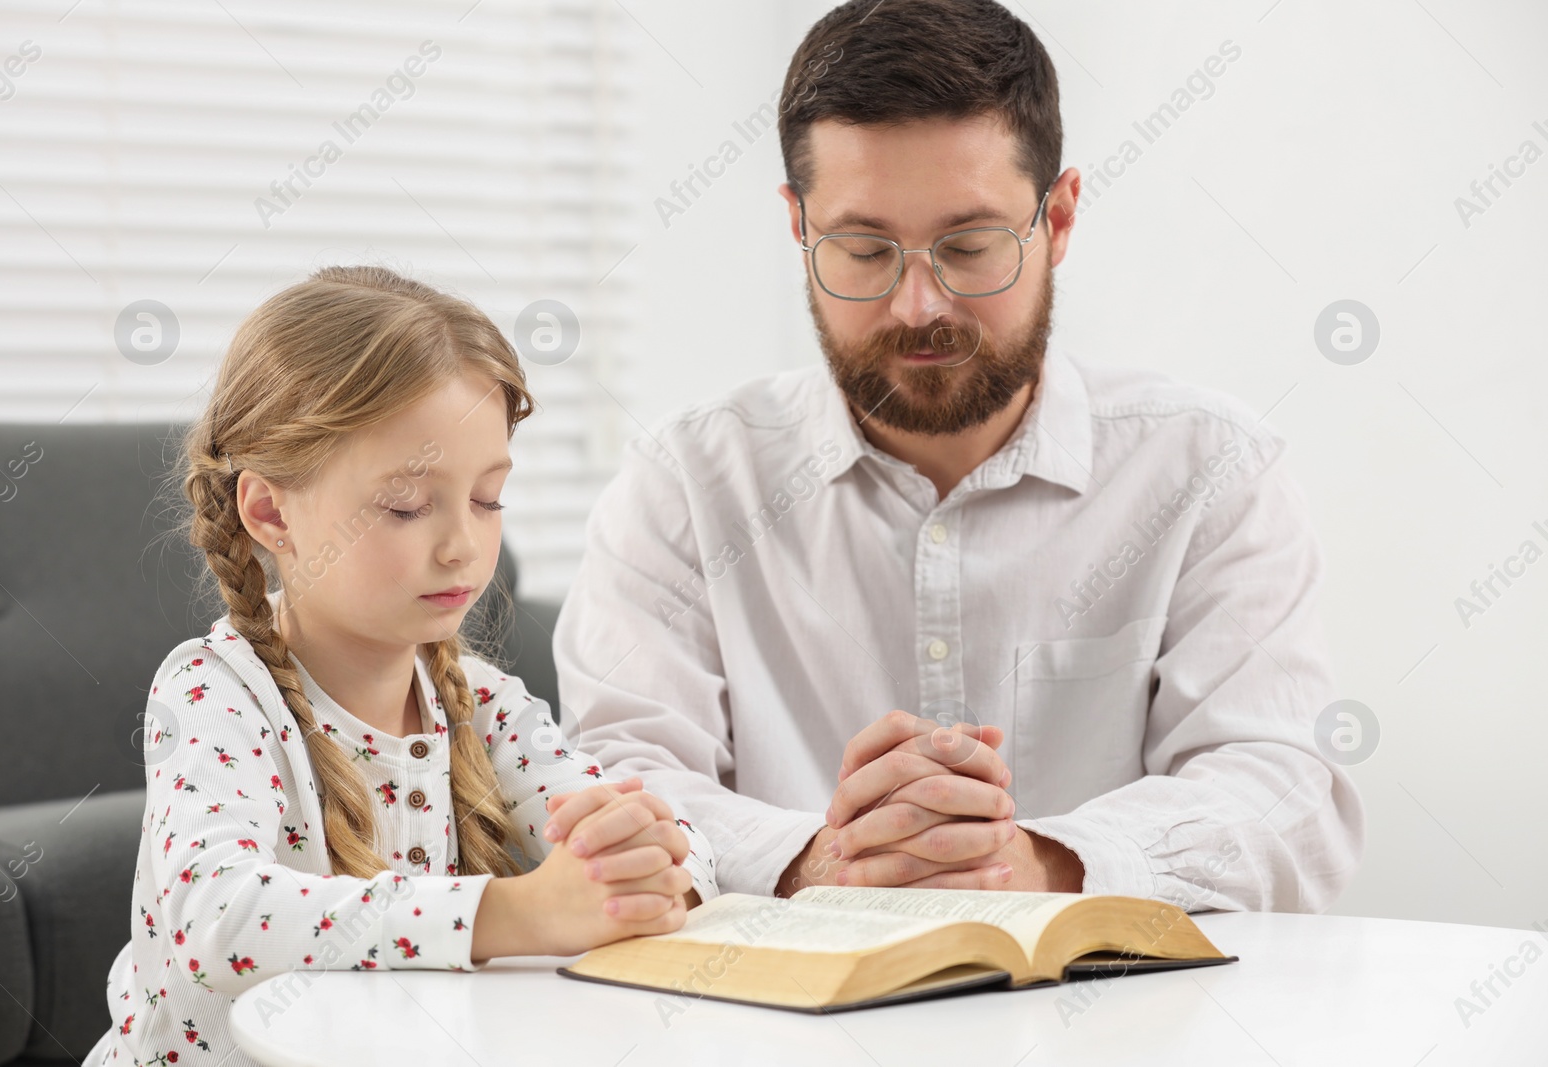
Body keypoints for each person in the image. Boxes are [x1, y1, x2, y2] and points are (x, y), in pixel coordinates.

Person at [552, 0, 1364, 912]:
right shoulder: (683, 483)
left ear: (1056, 219)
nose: (917, 305)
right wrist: (821, 860)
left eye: (969, 246)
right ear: (798, 227)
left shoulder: (1212, 468)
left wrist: (1039, 862)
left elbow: (1285, 789)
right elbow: (613, 781)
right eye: (862, 250)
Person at [83, 265, 715, 1067]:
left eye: (488, 499)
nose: (463, 544)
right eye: (407, 505)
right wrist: (515, 914)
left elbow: (681, 848)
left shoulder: (483, 704)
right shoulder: (212, 693)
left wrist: (652, 859)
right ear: (272, 511)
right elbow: (217, 916)